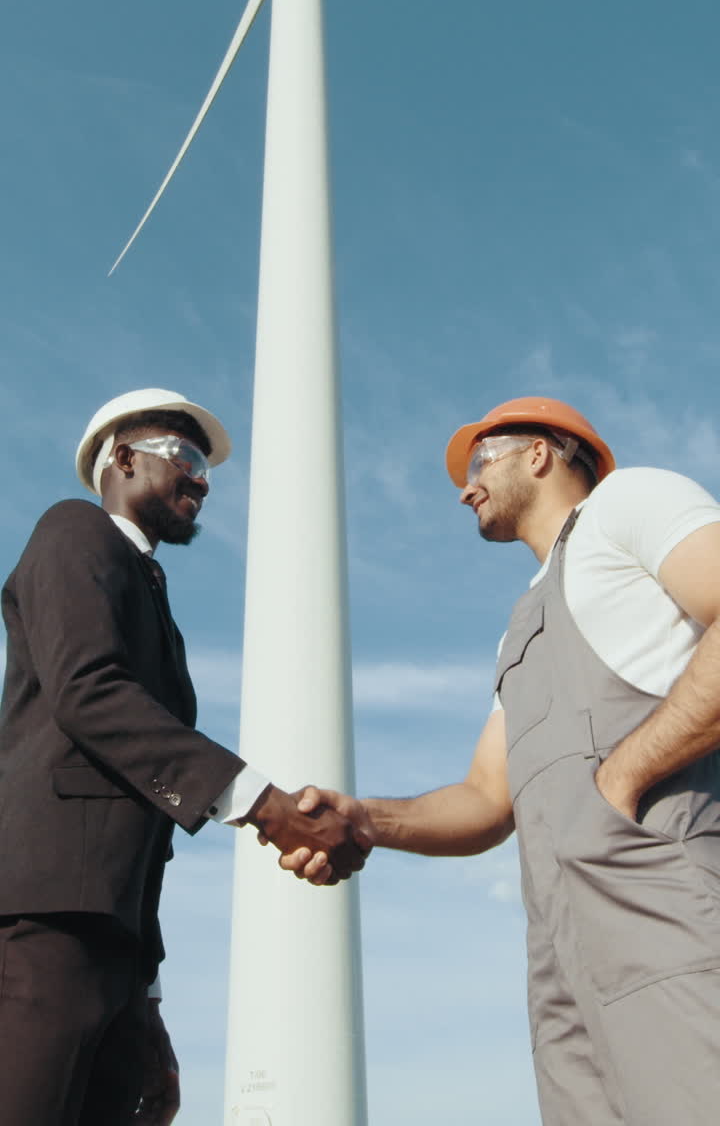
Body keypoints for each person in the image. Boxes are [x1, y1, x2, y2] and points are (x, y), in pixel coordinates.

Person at [280, 395, 720, 1125]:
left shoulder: (633, 502)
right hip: (560, 965)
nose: (465, 485)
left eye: (482, 459)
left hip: (660, 904)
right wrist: (367, 819)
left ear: (542, 454)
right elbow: (487, 798)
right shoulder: (518, 628)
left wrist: (621, 778)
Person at [0, 387, 367, 1126]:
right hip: (48, 920)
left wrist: (150, 1007)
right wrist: (266, 807)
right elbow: (89, 693)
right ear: (123, 459)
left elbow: (143, 826)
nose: (202, 478)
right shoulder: (75, 530)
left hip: (116, 945)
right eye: (188, 457)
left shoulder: (149, 591)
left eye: (206, 467)